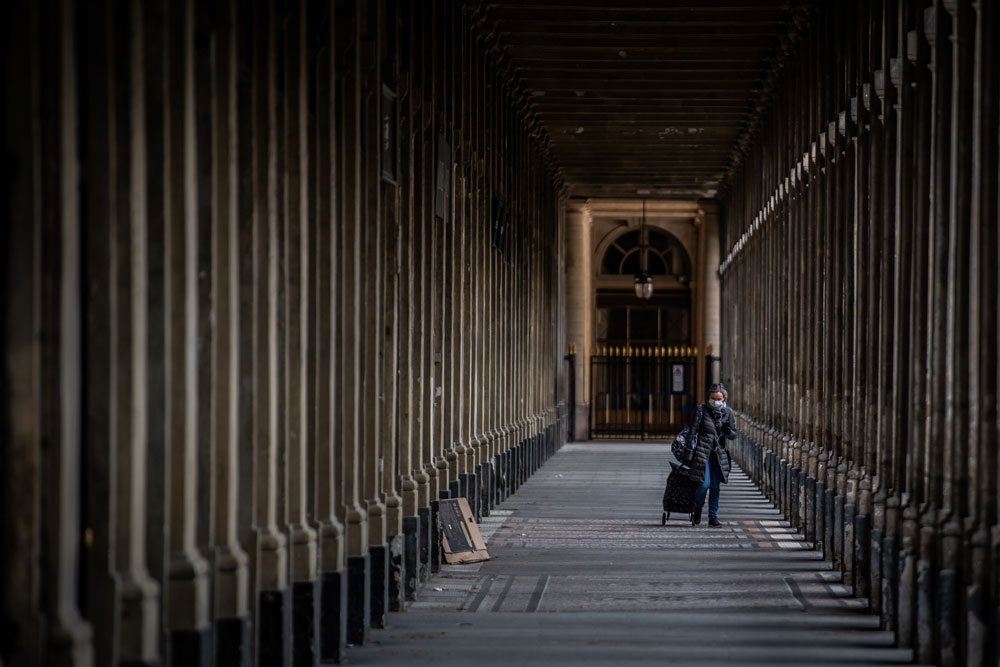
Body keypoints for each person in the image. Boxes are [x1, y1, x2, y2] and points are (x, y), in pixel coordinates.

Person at [687, 383, 737, 527]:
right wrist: (689, 452)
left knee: (715, 486)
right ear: (708, 397)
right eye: (713, 398)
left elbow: (733, 434)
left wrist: (728, 430)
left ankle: (713, 517)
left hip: (718, 454)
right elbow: (693, 430)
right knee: (704, 484)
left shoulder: (728, 413)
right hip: (702, 452)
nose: (716, 401)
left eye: (719, 398)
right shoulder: (701, 410)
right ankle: (697, 508)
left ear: (724, 399)